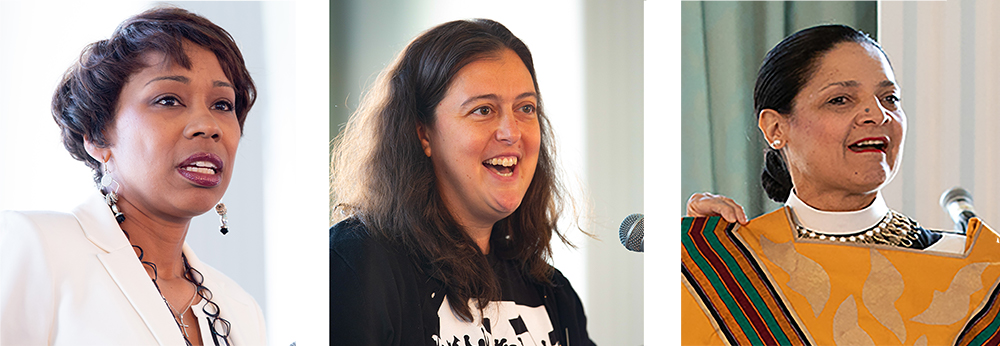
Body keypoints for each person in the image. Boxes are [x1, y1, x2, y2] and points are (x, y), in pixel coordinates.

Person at [681, 24, 1000, 344]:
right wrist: (696, 259)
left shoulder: (975, 271)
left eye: (890, 98)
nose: (877, 115)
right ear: (776, 127)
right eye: (840, 100)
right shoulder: (725, 271)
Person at [0, 7, 265, 345]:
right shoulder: (37, 248)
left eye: (223, 105)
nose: (208, 126)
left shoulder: (241, 309)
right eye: (168, 100)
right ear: (97, 137)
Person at [329, 19, 593, 346]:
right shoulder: (356, 264)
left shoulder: (553, 293)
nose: (512, 132)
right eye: (483, 110)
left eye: (526, 108)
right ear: (423, 133)